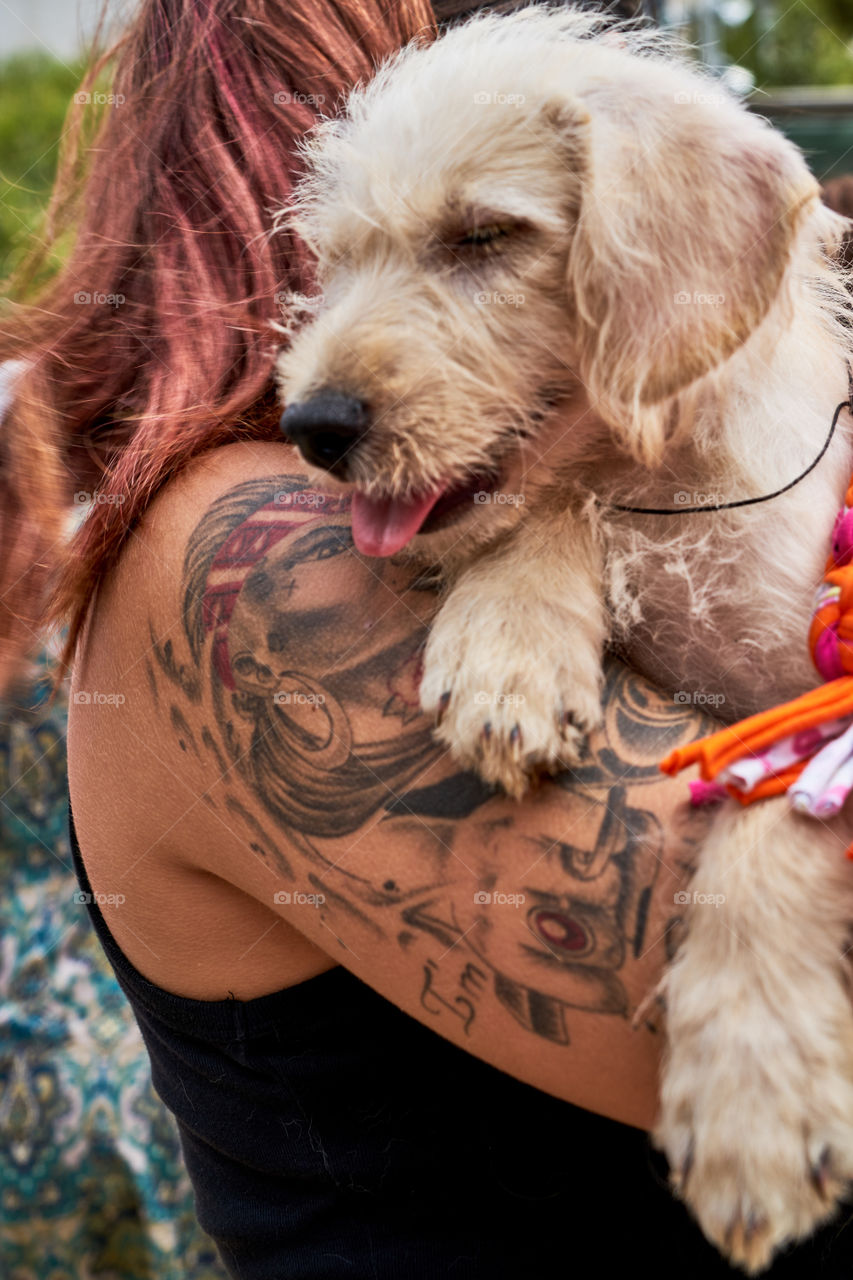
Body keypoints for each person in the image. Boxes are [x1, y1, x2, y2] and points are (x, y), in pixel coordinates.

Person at [2, 0, 852, 1275]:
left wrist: (547, 557)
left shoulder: (540, 489)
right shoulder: (244, 574)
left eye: (477, 239)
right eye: (333, 256)